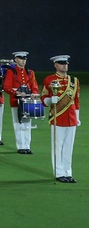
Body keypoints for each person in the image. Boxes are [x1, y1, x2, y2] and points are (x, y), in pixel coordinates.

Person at [41, 55, 80, 183]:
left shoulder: (74, 81)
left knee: (69, 147)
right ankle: (58, 172)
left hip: (71, 118)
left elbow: (76, 101)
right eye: (62, 63)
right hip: (58, 116)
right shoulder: (49, 80)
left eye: (66, 63)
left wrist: (77, 117)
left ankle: (68, 172)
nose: (65, 65)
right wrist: (49, 100)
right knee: (57, 147)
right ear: (55, 65)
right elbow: (43, 98)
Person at [2, 51, 39, 155]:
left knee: (27, 123)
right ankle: (21, 146)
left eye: (24, 59)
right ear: (16, 59)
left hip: (28, 101)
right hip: (16, 101)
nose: (23, 61)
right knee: (18, 123)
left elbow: (34, 86)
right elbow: (6, 87)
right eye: (21, 59)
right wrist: (17, 93)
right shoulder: (11, 71)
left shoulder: (30, 72)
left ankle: (27, 145)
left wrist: (34, 93)